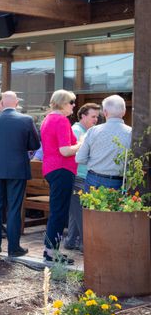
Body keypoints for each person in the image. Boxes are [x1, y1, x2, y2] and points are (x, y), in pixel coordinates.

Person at [0, 91, 40, 257]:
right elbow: (35, 144)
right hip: (17, 169)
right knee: (14, 208)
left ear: (2, 103)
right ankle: (13, 247)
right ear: (16, 103)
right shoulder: (26, 120)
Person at [40, 90, 81, 264]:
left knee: (57, 210)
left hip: (52, 169)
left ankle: (49, 250)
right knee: (59, 212)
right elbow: (65, 150)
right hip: (62, 168)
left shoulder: (48, 119)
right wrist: (81, 144)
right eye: (71, 102)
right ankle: (52, 253)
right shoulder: (61, 120)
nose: (73, 105)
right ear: (63, 103)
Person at [64, 103, 100, 252]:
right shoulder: (77, 131)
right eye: (93, 116)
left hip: (81, 175)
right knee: (81, 211)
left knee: (76, 210)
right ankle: (87, 244)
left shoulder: (86, 131)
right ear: (83, 116)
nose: (96, 120)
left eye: (97, 117)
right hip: (78, 175)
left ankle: (71, 241)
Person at [76, 95, 132, 191]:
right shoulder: (131, 133)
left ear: (105, 112)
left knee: (90, 202)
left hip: (93, 179)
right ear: (124, 112)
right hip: (118, 181)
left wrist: (96, 161)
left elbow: (80, 158)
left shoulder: (93, 131)